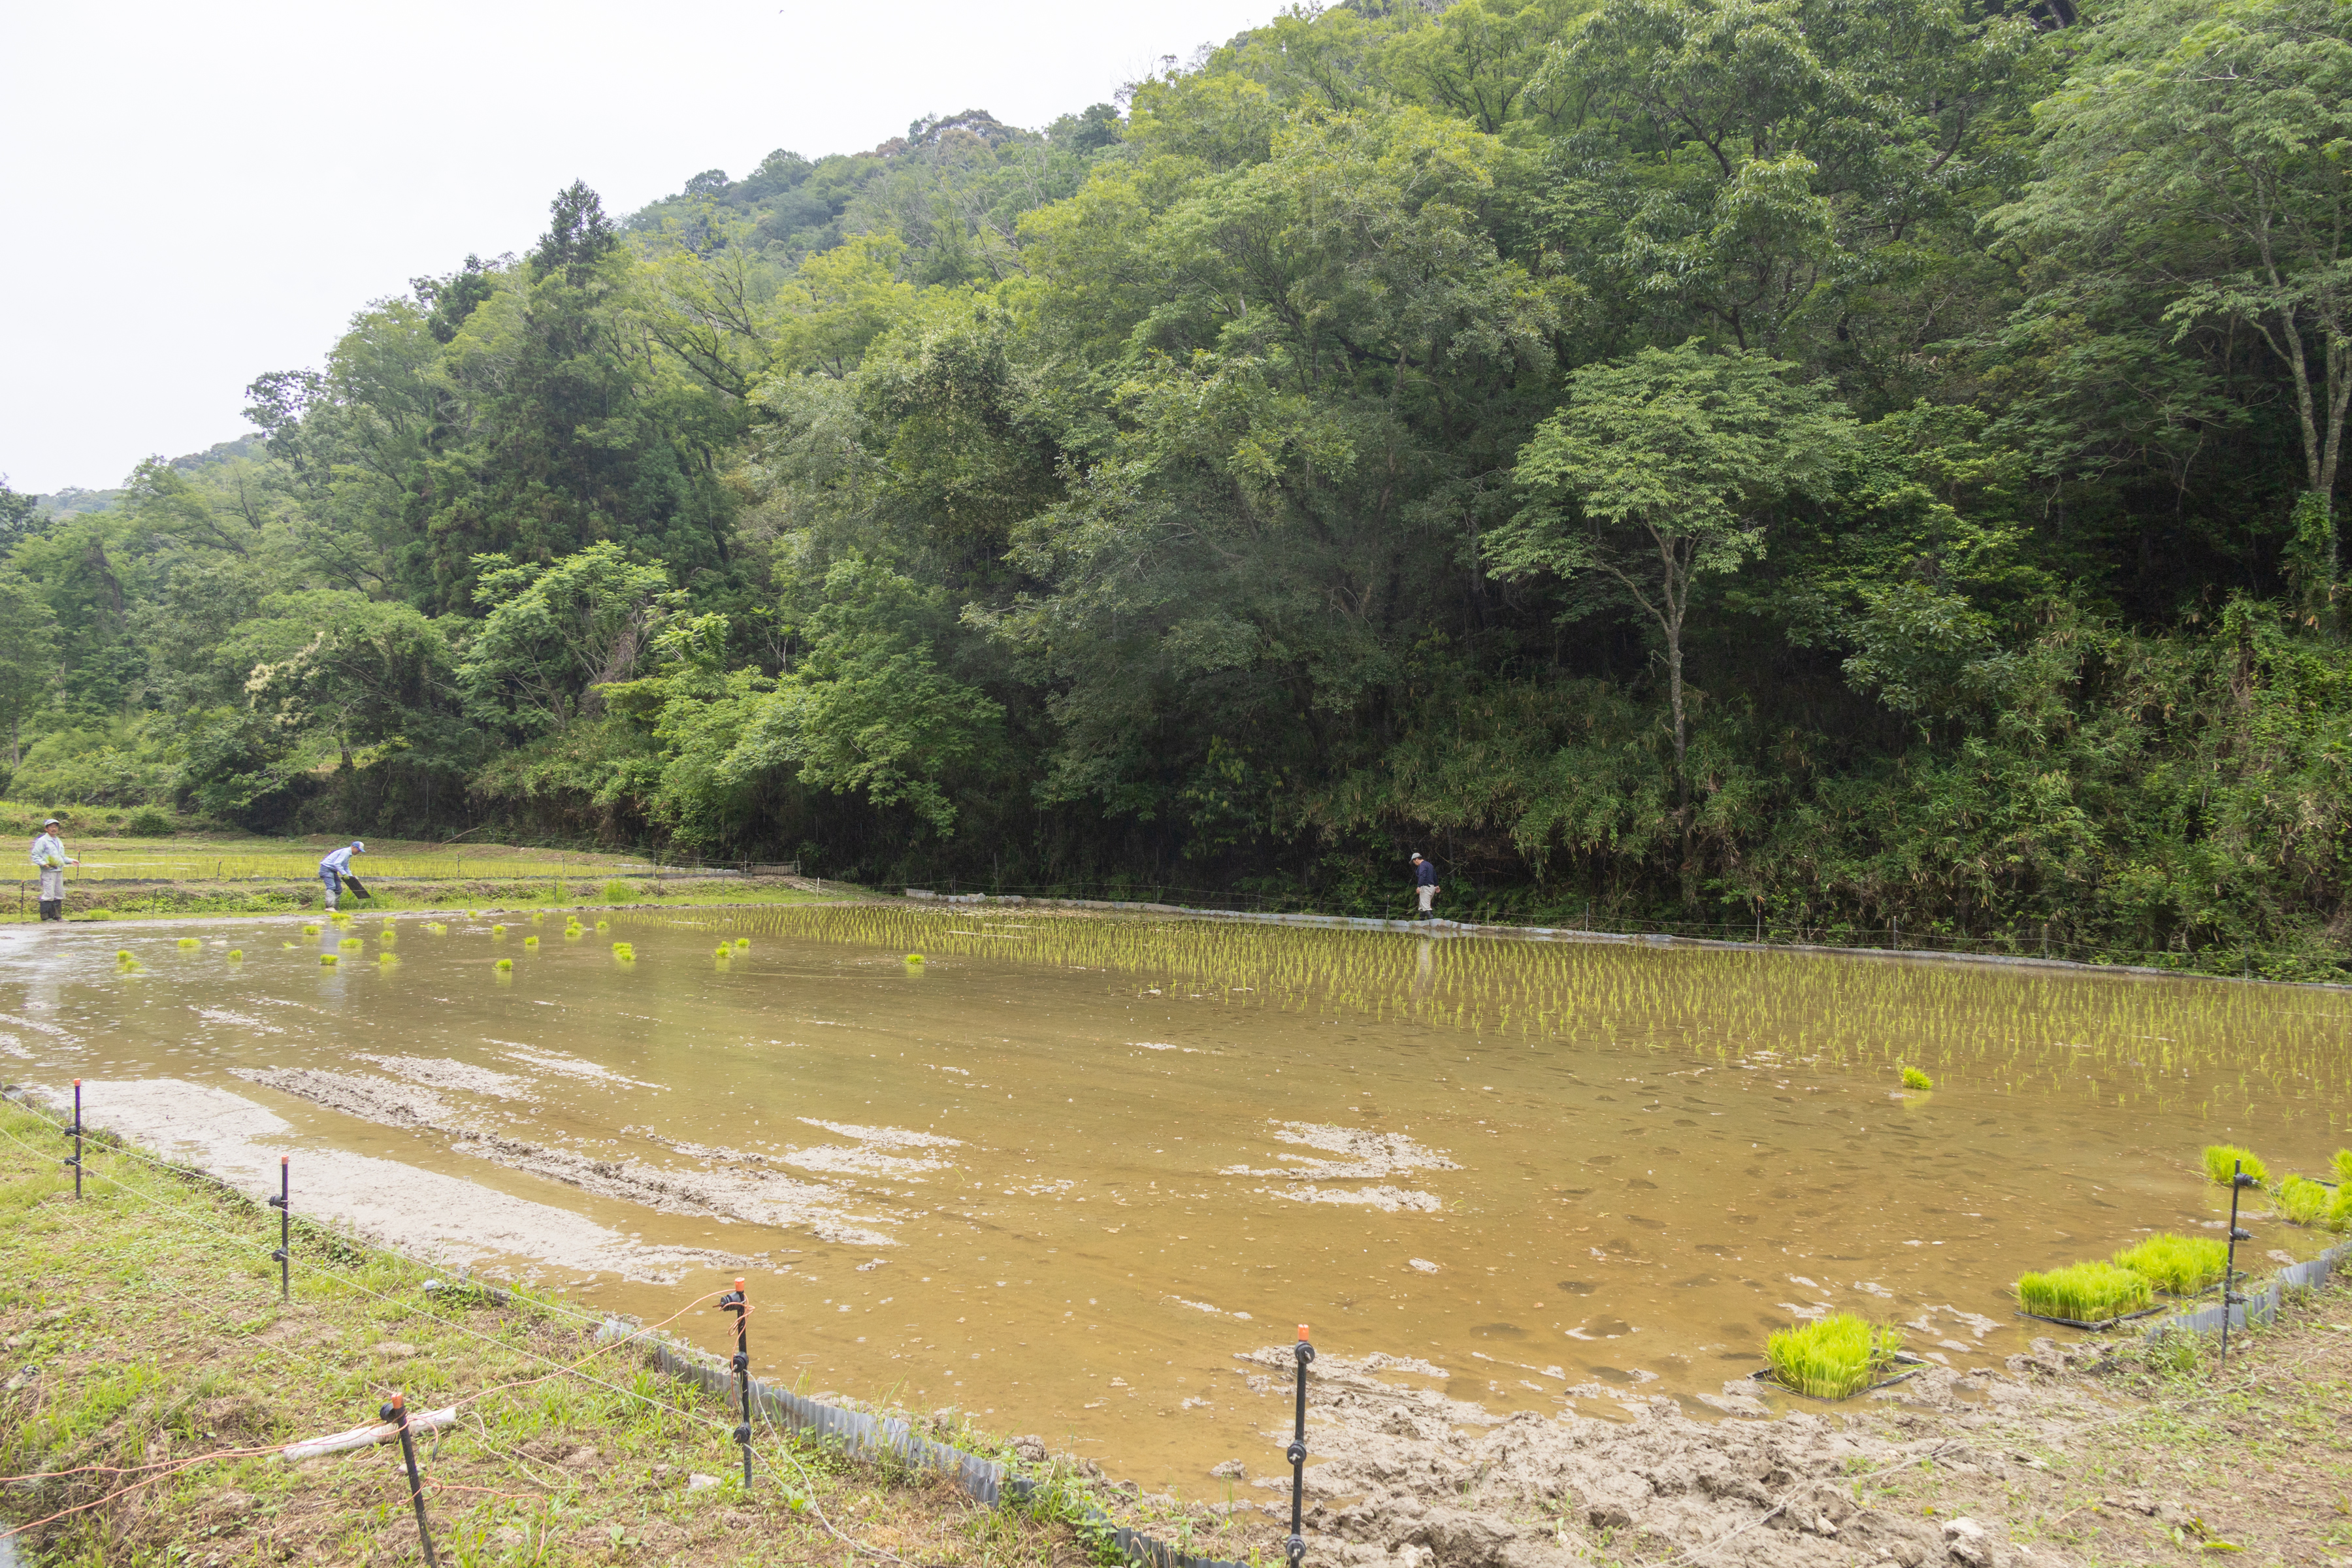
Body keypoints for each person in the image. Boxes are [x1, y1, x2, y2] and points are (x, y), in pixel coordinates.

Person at [29, 817, 76, 923]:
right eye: (51, 827)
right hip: (48, 871)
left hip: (58, 870)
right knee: (49, 894)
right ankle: (46, 917)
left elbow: (61, 857)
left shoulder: (58, 840)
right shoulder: (42, 841)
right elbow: (35, 855)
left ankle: (57, 917)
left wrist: (71, 861)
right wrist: (44, 864)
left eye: (55, 827)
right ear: (46, 829)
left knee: (59, 893)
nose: (54, 829)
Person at [319, 840, 365, 911]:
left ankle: (335, 908)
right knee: (331, 887)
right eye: (358, 850)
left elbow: (346, 867)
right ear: (353, 847)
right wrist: (344, 874)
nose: (359, 852)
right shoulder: (346, 852)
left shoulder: (349, 854)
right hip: (326, 869)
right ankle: (329, 907)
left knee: (338, 889)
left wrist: (351, 877)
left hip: (333, 871)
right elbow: (337, 864)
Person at [1411, 851, 1439, 918]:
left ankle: (1433, 925)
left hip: (1425, 887)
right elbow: (1435, 875)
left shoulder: (1422, 866)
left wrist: (1419, 886)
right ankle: (1421, 923)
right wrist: (1436, 885)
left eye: (1414, 861)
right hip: (1432, 888)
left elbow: (1422, 876)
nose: (1414, 863)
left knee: (1426, 908)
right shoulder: (1429, 865)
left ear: (1417, 859)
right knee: (1422, 907)